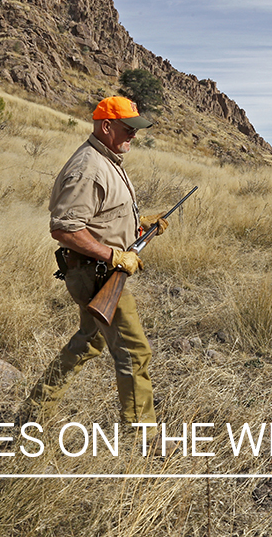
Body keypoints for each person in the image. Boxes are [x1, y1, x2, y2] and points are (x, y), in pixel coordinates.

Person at [21, 96, 167, 427]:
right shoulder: (89, 168)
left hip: (96, 270)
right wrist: (114, 255)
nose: (133, 135)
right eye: (128, 129)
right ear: (106, 126)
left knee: (89, 340)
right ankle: (140, 437)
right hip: (96, 274)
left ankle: (32, 415)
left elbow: (101, 219)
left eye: (135, 129)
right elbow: (64, 229)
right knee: (135, 353)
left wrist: (143, 225)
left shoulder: (108, 161)